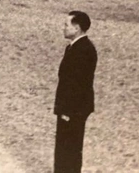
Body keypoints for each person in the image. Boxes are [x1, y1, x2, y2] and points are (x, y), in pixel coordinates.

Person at [54, 11, 97, 173]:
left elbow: (78, 84)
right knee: (67, 146)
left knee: (69, 147)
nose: (63, 28)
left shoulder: (83, 50)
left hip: (73, 108)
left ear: (77, 28)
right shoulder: (76, 47)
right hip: (72, 107)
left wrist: (67, 111)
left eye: (67, 25)